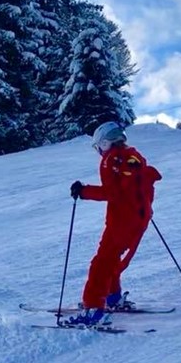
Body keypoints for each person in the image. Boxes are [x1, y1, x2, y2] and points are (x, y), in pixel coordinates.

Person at [67, 121, 162, 326]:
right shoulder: (133, 154)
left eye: (99, 146)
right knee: (110, 259)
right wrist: (141, 212)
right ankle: (112, 297)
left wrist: (83, 191)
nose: (99, 151)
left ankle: (94, 308)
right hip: (137, 218)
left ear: (106, 142)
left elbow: (112, 193)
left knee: (101, 263)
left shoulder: (111, 160)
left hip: (122, 221)